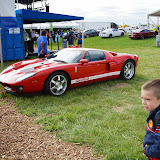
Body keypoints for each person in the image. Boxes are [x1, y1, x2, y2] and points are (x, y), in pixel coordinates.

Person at [141, 79, 160, 160]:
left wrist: (147, 150)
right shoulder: (153, 111)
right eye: (142, 98)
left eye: (148, 99)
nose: (143, 102)